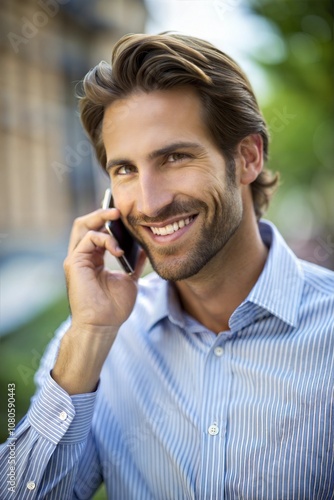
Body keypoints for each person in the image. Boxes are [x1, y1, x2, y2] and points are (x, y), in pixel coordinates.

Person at [0, 33, 333, 500]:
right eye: (126, 170)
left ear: (247, 157)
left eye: (175, 157)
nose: (150, 203)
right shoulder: (93, 344)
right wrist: (90, 336)